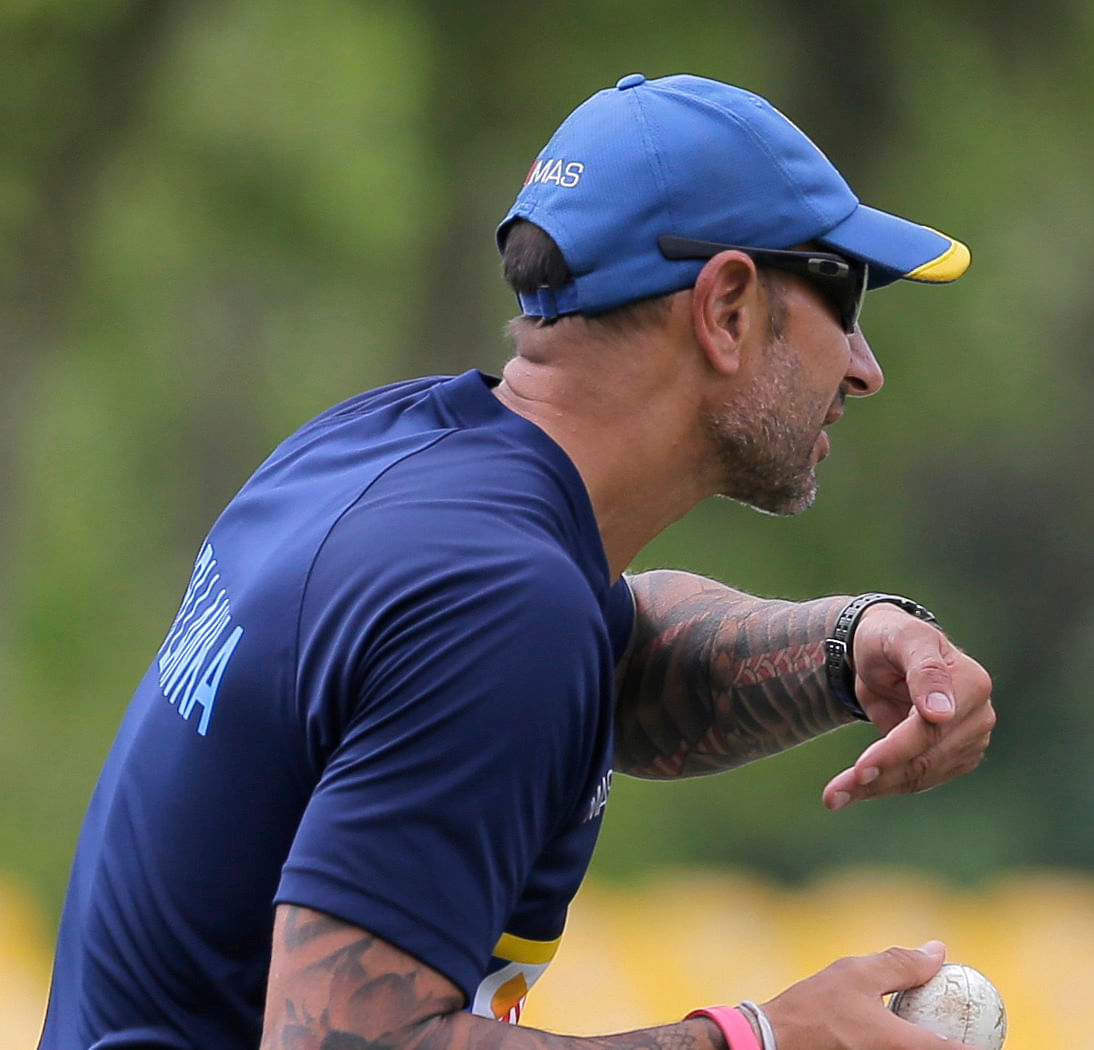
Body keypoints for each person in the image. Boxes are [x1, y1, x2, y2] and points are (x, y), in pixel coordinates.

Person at [39, 73, 997, 1050]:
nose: (864, 367)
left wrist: (852, 644)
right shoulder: (498, 605)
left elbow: (612, 661)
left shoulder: (386, 452)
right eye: (842, 296)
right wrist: (758, 1039)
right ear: (729, 308)